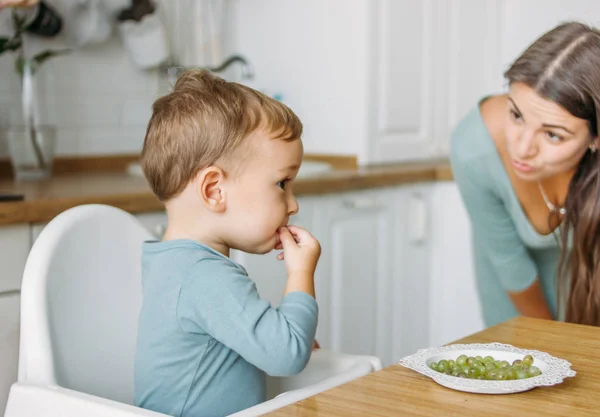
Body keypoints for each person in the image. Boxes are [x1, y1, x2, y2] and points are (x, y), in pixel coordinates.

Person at [134, 69, 321, 417]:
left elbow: (225, 341)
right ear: (214, 190)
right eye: (282, 184)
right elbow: (287, 356)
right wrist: (301, 273)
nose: (293, 204)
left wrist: (281, 333)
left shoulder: (178, 265)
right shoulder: (204, 277)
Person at [450, 21, 600, 328]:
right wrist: (551, 344)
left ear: (595, 138)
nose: (522, 148)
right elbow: (509, 262)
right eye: (516, 115)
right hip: (518, 304)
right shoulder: (474, 147)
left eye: (553, 135)